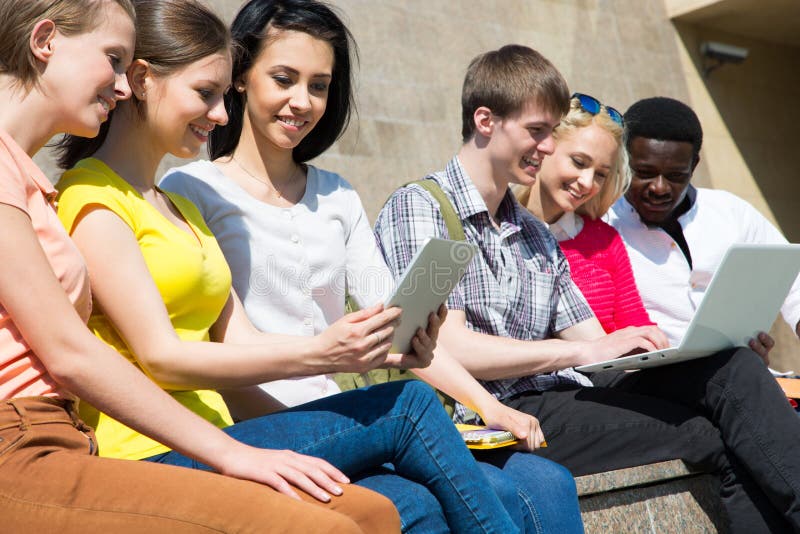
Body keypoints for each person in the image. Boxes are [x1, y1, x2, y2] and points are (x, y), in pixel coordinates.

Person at [52, 1, 528, 532]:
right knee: (410, 407)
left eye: (319, 85)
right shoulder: (101, 195)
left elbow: (242, 339)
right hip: (154, 449)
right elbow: (161, 357)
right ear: (143, 81)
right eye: (206, 93)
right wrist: (321, 353)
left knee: (415, 504)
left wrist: (393, 344)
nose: (220, 114)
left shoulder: (177, 205)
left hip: (227, 432)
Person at [160, 1, 583, 532]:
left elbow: (393, 317)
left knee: (546, 481)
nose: (302, 101)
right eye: (284, 79)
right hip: (265, 426)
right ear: (240, 77)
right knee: (464, 494)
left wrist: (486, 405)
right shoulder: (192, 188)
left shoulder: (337, 194)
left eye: (319, 85)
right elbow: (213, 346)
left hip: (347, 414)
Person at [0, 0, 398, 532]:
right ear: (45, 40)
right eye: (114, 60)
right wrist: (232, 451)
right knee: (383, 449)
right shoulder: (78, 190)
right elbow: (78, 355)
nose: (120, 85)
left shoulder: (35, 182)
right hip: (30, 439)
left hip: (69, 433)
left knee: (375, 510)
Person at [375, 43, 800, 533]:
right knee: (705, 435)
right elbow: (447, 347)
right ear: (485, 121)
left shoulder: (533, 232)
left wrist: (670, 352)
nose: (547, 147)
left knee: (732, 370)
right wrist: (578, 353)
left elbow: (595, 343)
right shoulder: (423, 207)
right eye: (538, 131)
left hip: (567, 394)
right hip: (497, 413)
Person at [606, 96, 800, 359]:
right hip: (646, 376)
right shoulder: (602, 223)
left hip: (739, 367)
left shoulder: (730, 211)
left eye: (675, 176)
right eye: (645, 173)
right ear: (623, 160)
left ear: (694, 165)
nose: (659, 187)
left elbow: (791, 274)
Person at [513, 93, 654, 333]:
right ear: (544, 148)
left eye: (600, 174)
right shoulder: (497, 230)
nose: (588, 183)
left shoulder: (605, 240)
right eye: (579, 162)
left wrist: (652, 340)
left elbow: (634, 322)